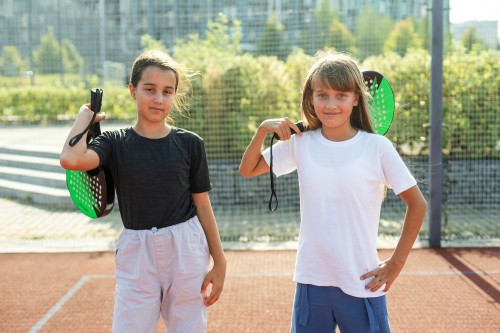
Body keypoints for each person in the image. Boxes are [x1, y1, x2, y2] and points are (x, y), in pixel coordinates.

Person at [239, 51, 427, 333]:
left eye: (341, 95)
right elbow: (248, 168)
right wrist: (263, 130)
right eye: (322, 95)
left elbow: (417, 204)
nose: (331, 104)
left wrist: (396, 263)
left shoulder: (377, 147)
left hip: (363, 280)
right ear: (310, 98)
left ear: (356, 99)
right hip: (312, 279)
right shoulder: (301, 143)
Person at [60, 50, 226, 333]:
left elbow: (202, 206)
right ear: (132, 90)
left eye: (167, 91)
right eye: (149, 90)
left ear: (174, 95)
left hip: (186, 248)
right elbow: (71, 159)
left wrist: (219, 261)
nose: (159, 99)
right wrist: (84, 118)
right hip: (137, 252)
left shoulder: (190, 144)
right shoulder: (114, 142)